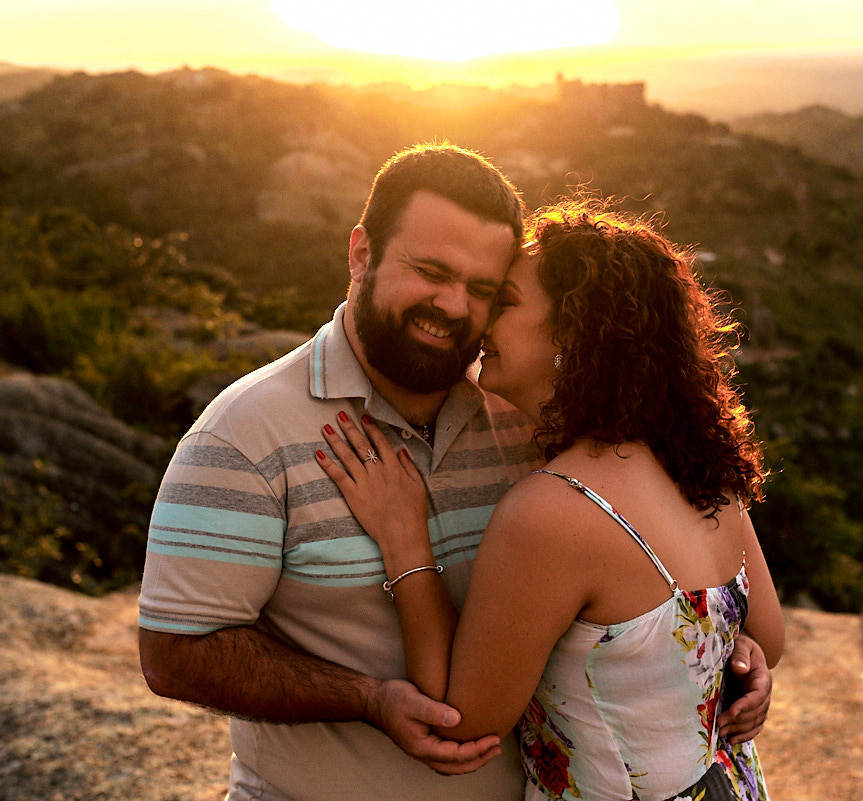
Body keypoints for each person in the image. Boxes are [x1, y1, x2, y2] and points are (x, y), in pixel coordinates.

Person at [137, 144, 773, 801]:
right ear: (361, 253)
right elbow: (174, 653)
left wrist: (723, 653)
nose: (453, 305)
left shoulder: (528, 420)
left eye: (486, 292)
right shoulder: (245, 433)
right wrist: (366, 697)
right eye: (430, 271)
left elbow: (649, 585)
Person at [316, 197, 784, 801]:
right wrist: (733, 659)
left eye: (505, 303)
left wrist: (404, 540)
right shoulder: (699, 465)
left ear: (572, 333)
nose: (480, 324)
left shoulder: (555, 509)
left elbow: (460, 721)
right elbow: (768, 637)